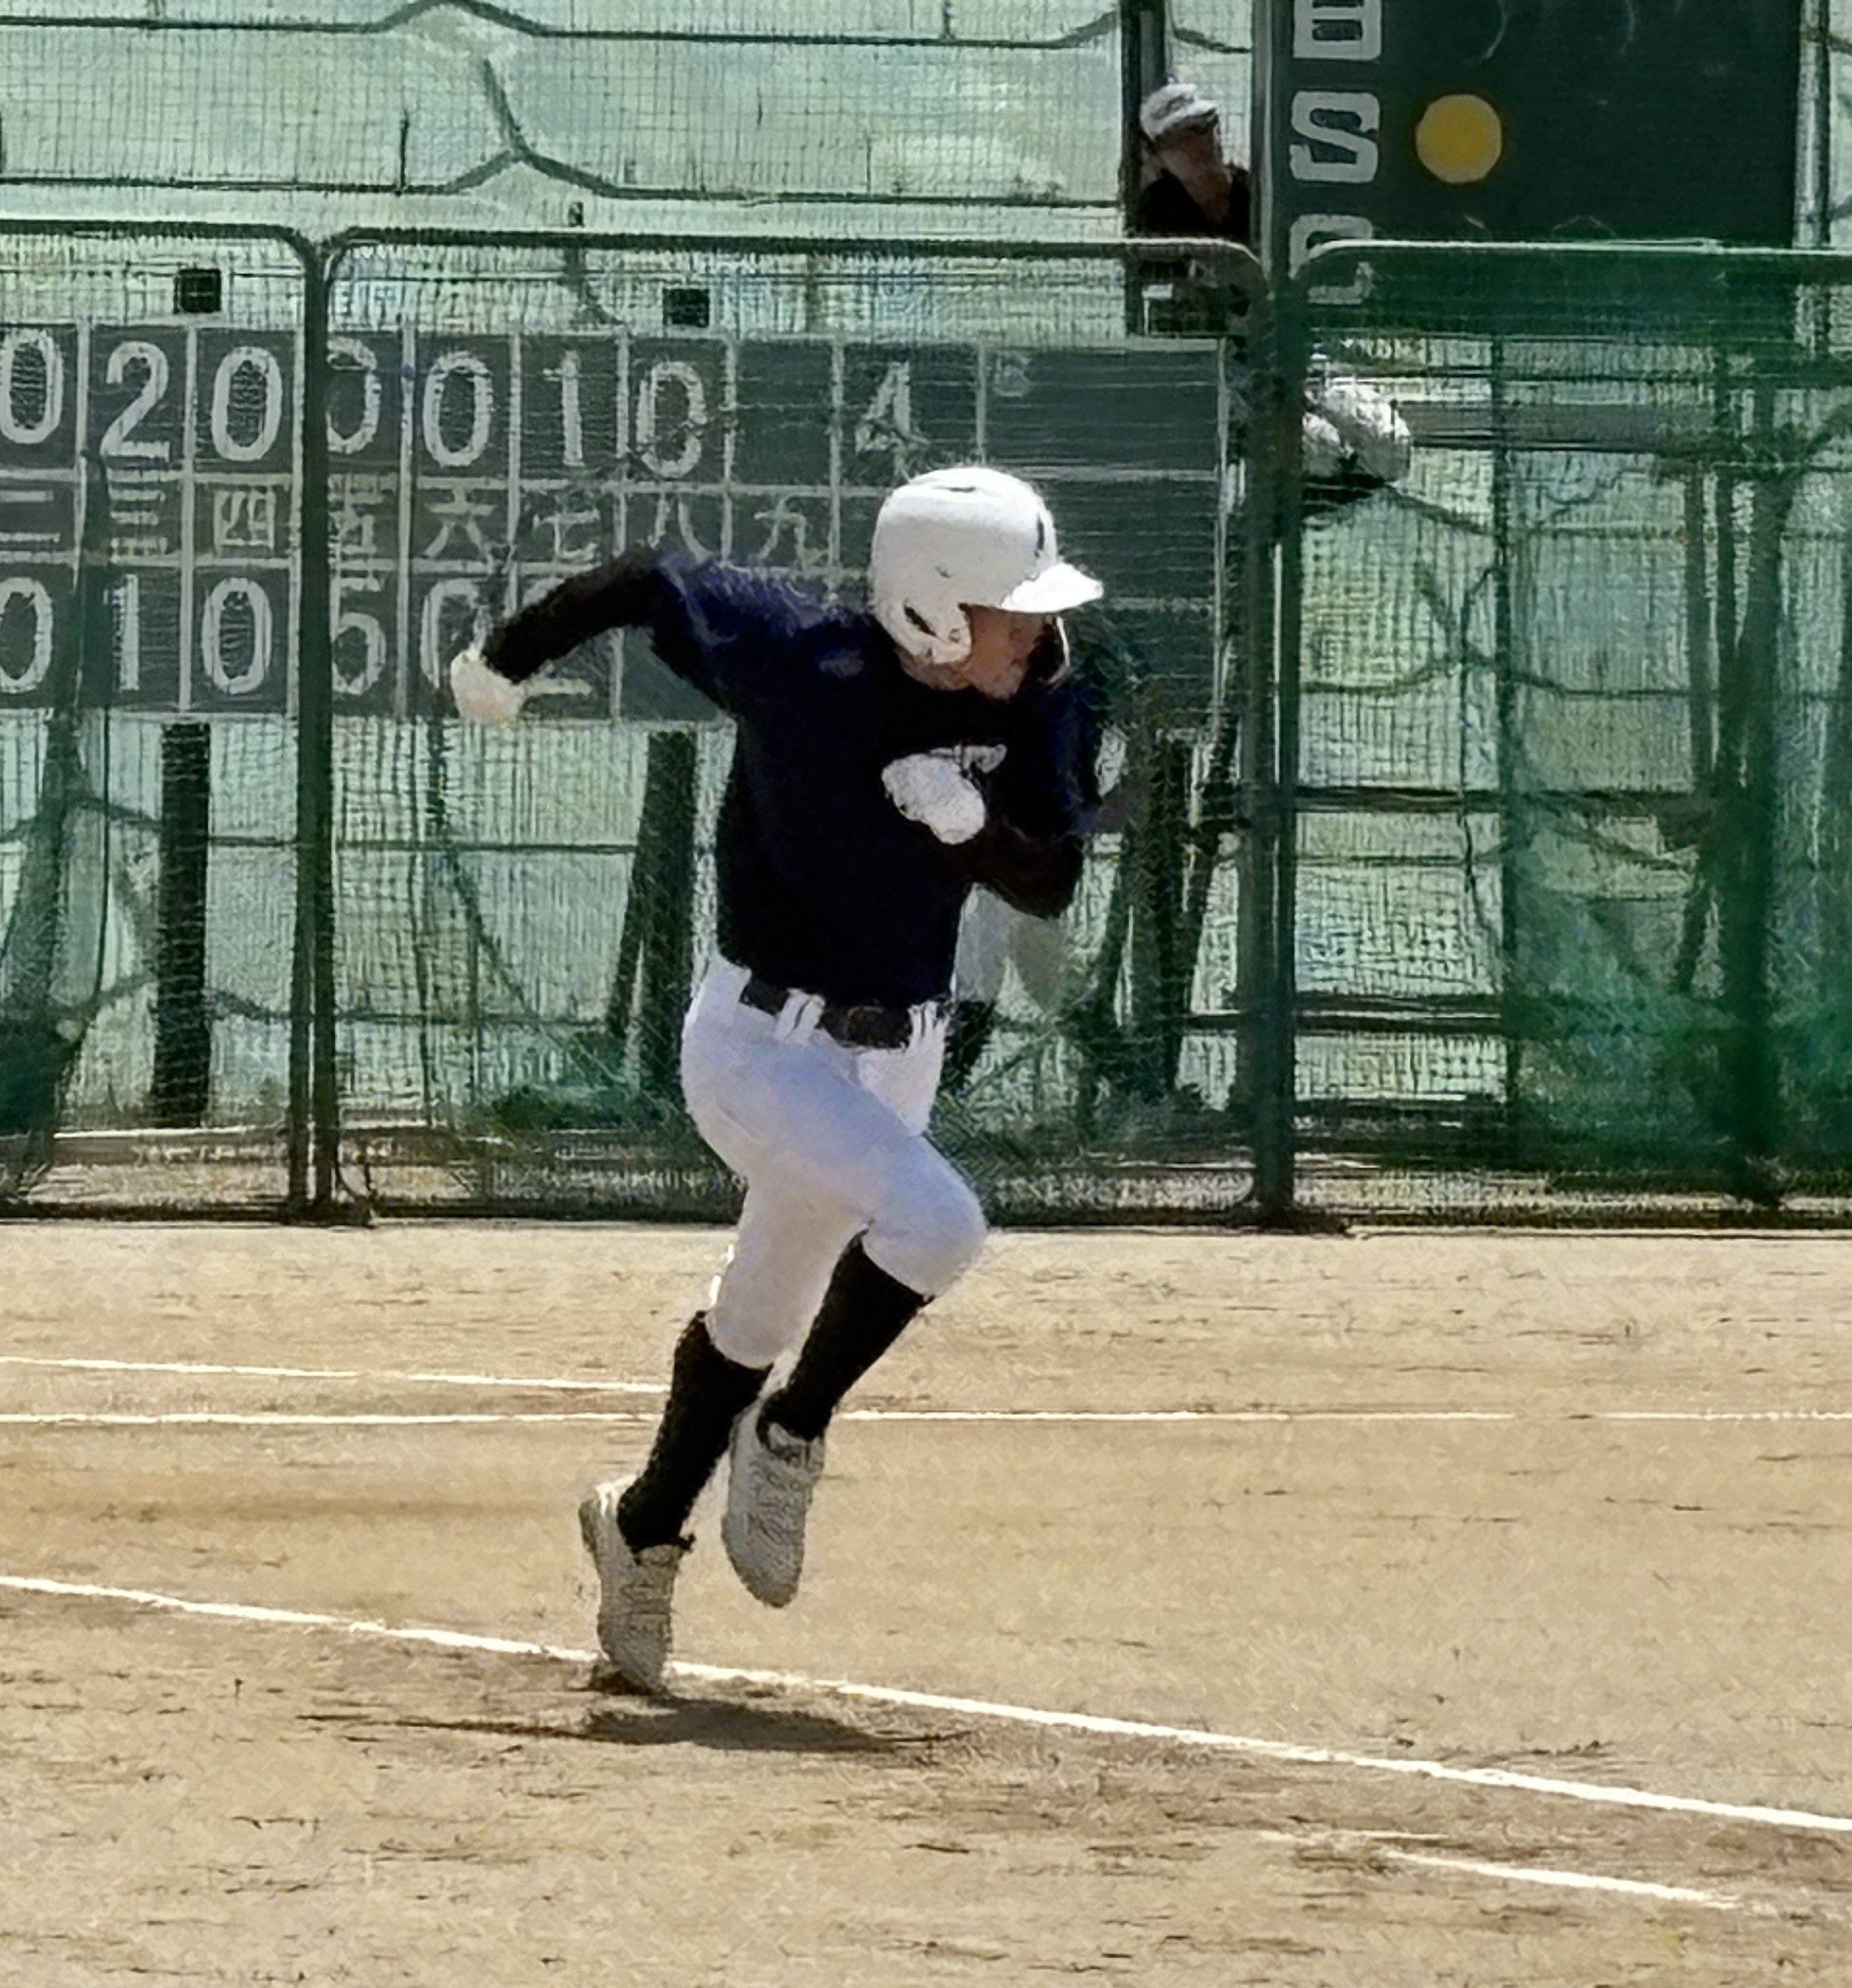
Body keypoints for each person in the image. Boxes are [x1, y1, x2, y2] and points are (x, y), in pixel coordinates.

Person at [449, 468, 1110, 1694]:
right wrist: (505, 657)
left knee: (763, 1301)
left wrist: (975, 831)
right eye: (1009, 610)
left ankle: (639, 1524)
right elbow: (646, 580)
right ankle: (792, 1429)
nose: (1036, 632)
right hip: (758, 1044)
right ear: (931, 610)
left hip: (899, 1042)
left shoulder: (1042, 698)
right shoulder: (803, 658)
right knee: (939, 1221)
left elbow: (1052, 880)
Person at [1131, 77, 1414, 512]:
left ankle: (1291, 511)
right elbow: (1161, 304)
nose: (1199, 144)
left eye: (1205, 127)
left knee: (1390, 444)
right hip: (1224, 374)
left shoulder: (1261, 198)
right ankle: (1261, 527)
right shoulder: (1155, 217)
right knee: (1316, 448)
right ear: (1157, 154)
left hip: (1299, 355)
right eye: (1180, 138)